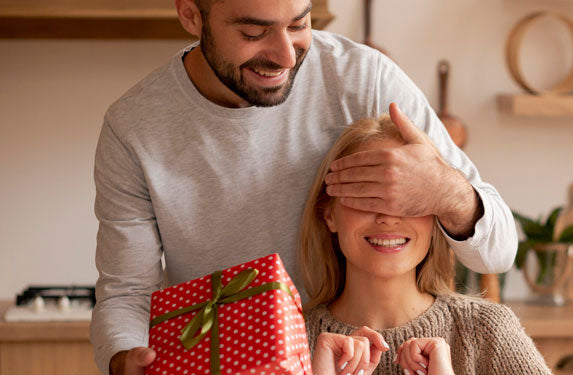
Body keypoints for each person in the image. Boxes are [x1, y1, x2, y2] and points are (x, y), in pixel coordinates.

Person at [91, 0, 518, 373]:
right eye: (253, 32)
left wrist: (446, 190)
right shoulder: (134, 127)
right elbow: (127, 294)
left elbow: (497, 249)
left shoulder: (363, 78)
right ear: (190, 15)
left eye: (298, 24)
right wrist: (125, 357)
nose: (285, 56)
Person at [301, 115, 551, 375]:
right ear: (329, 214)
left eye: (408, 198)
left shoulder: (488, 331)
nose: (388, 217)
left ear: (436, 212)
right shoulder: (285, 336)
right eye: (366, 195)